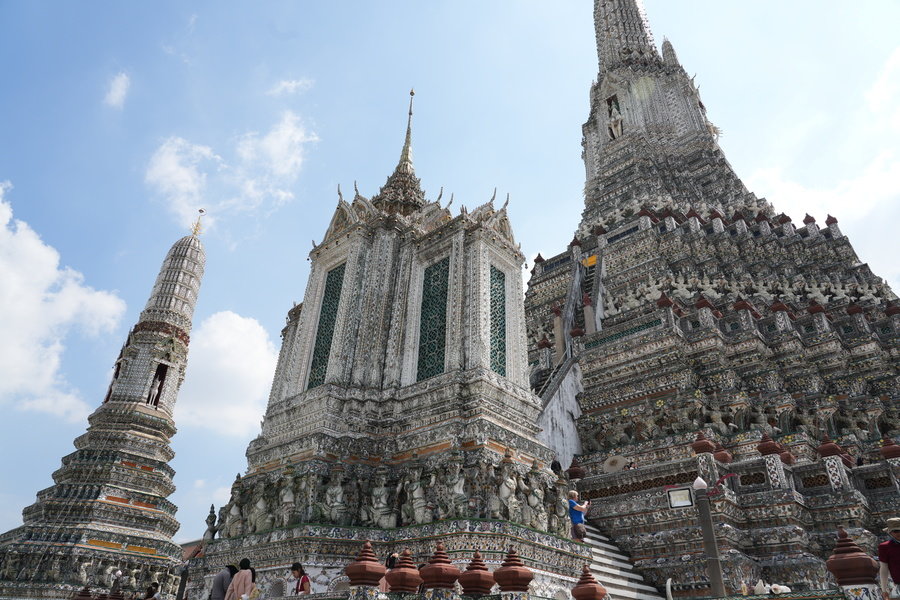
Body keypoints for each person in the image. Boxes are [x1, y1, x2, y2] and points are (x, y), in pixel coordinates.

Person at [880, 517, 900, 600]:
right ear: (890, 532)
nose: (899, 533)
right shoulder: (884, 547)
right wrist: (884, 590)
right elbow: (884, 569)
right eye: (896, 531)